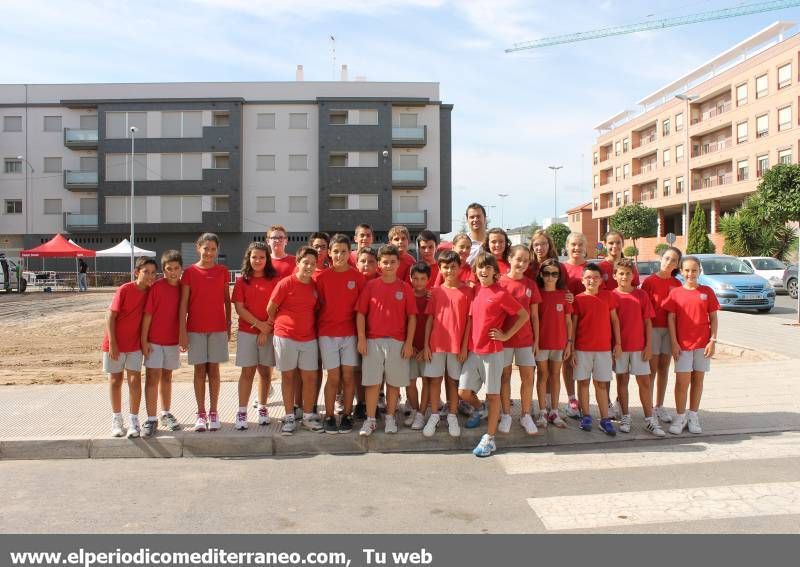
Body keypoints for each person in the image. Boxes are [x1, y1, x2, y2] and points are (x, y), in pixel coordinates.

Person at [459, 252, 529, 457]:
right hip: (474, 351)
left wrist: (506, 335)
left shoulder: (501, 294)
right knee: (463, 391)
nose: (483, 270)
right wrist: (465, 346)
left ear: (495, 272)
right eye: (480, 267)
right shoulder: (476, 291)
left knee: (493, 396)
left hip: (493, 352)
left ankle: (489, 439)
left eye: (488, 267)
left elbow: (523, 315)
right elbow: (471, 320)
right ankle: (480, 409)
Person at [356, 244, 417, 436]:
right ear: (379, 265)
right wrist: (362, 338)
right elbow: (360, 314)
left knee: (393, 383)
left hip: (398, 342)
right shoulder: (371, 286)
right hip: (373, 341)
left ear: (398, 263)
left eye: (392, 262)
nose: (389, 265)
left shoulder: (405, 287)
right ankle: (371, 419)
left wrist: (408, 343)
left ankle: (390, 418)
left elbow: (412, 317)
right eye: (385, 262)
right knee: (372, 383)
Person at [178, 233, 231, 433]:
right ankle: (200, 413)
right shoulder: (189, 272)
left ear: (217, 250)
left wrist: (227, 325)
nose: (209, 252)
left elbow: (227, 300)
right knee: (199, 371)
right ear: (198, 247)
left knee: (214, 371)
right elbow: (183, 303)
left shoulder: (223, 271)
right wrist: (182, 331)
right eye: (205, 248)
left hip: (217, 329)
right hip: (195, 329)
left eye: (213, 249)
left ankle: (214, 412)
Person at [267, 246, 321, 435]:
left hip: (308, 339)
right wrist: (280, 325)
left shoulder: (314, 286)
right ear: (298, 263)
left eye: (313, 264)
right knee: (288, 377)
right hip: (286, 337)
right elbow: (270, 308)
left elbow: (314, 310)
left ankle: (307, 417)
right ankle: (289, 417)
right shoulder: (285, 283)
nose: (309, 266)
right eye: (306, 262)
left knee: (310, 378)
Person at [664, 255, 719, 435]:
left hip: (703, 345)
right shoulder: (675, 293)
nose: (690, 273)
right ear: (681, 271)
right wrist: (674, 342)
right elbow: (671, 319)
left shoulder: (707, 292)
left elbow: (713, 317)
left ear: (699, 271)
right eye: (687, 270)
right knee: (682, 382)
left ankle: (693, 415)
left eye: (694, 270)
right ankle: (680, 416)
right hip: (682, 346)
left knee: (698, 380)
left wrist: (713, 340)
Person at [611, 258, 665, 437]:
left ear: (633, 275)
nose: (625, 276)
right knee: (622, 381)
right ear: (615, 276)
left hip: (639, 347)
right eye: (621, 273)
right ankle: (625, 416)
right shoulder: (612, 296)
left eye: (628, 273)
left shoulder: (641, 295)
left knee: (644, 382)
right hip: (620, 348)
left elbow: (648, 322)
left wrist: (649, 345)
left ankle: (650, 419)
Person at [316, 234, 365, 434]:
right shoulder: (321, 278)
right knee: (333, 377)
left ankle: (346, 414)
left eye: (343, 251)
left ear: (349, 252)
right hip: (327, 334)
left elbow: (362, 310)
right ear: (329, 252)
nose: (339, 255)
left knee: (349, 377)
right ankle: (329, 415)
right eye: (335, 251)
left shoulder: (358, 277)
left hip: (350, 334)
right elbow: (315, 306)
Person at [421, 250, 473, 437]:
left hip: (456, 346)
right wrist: (426, 345)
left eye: (453, 267)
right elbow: (430, 320)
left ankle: (452, 415)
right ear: (440, 269)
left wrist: (465, 346)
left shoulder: (467, 291)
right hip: (436, 345)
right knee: (435, 380)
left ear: (459, 268)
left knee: (453, 382)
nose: (449, 270)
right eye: (445, 267)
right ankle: (434, 415)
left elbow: (469, 321)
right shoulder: (436, 291)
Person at [104, 256, 156, 438]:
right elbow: (110, 316)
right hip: (115, 344)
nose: (150, 276)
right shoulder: (125, 289)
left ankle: (134, 420)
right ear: (136, 272)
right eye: (146, 272)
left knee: (135, 382)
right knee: (115, 381)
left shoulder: (151, 292)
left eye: (153, 273)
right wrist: (112, 343)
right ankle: (117, 420)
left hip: (135, 345)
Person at [232, 242, 280, 431]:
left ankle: (262, 407)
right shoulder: (242, 280)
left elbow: (278, 305)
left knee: (266, 373)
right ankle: (242, 411)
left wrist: (266, 328)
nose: (258, 260)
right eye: (254, 257)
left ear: (267, 259)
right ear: (248, 258)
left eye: (262, 257)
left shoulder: (275, 280)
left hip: (269, 332)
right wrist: (258, 325)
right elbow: (239, 308)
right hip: (247, 332)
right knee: (247, 372)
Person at [571, 263, 621, 436]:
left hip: (603, 349)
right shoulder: (578, 299)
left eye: (595, 277)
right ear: (583, 280)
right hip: (582, 348)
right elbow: (574, 325)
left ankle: (605, 419)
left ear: (601, 280)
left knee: (601, 384)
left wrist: (618, 344)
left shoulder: (608, 297)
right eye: (588, 277)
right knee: (583, 382)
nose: (591, 280)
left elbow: (615, 321)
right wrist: (571, 347)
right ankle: (586, 415)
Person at [498, 245, 541, 435]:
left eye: (526, 261)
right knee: (504, 377)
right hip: (504, 340)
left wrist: (537, 340)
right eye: (519, 259)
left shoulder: (530, 284)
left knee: (528, 377)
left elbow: (534, 316)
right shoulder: (499, 282)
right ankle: (506, 414)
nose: (522, 264)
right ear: (510, 258)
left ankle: (525, 415)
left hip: (525, 340)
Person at [140, 250, 183, 437]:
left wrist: (183, 336)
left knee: (167, 377)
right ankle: (151, 419)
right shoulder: (157, 287)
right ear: (163, 271)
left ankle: (165, 413)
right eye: (168, 269)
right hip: (154, 342)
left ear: (181, 269)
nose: (172, 272)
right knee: (152, 378)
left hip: (172, 342)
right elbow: (147, 315)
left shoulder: (183, 288)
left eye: (176, 268)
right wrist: (144, 340)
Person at [641, 246, 683, 425]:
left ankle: (659, 405)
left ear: (677, 264)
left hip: (670, 330)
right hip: (653, 329)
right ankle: (649, 407)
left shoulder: (677, 284)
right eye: (667, 258)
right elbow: (644, 310)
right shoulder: (650, 281)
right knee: (651, 368)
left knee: (664, 368)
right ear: (660, 259)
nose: (669, 262)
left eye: (674, 260)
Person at [534, 258, 572, 428]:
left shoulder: (564, 295)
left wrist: (569, 343)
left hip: (559, 343)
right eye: (547, 273)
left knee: (556, 376)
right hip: (541, 344)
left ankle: (554, 411)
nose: (550, 277)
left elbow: (569, 321)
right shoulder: (537, 293)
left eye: (554, 274)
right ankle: (542, 410)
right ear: (541, 275)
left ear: (559, 276)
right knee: (543, 376)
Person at [561, 232, 589, 417]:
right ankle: (572, 398)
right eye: (573, 244)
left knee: (585, 361)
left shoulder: (591, 268)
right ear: (567, 246)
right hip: (567, 320)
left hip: (587, 320)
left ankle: (585, 398)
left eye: (580, 245)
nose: (576, 248)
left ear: (585, 248)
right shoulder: (562, 268)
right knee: (568, 359)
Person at [405, 262, 430, 430]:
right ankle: (414, 410)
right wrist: (409, 345)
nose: (419, 282)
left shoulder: (432, 297)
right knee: (410, 382)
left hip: (427, 348)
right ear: (410, 278)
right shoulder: (406, 295)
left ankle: (422, 413)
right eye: (415, 278)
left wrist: (428, 346)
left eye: (422, 279)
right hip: (410, 348)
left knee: (427, 381)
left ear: (428, 279)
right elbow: (401, 322)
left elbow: (437, 324)